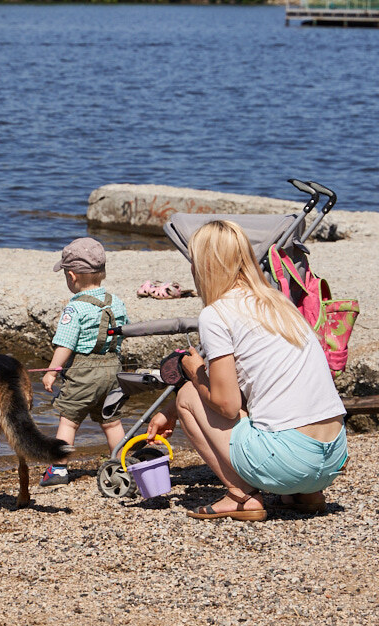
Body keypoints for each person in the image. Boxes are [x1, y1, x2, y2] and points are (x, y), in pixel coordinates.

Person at [147, 220, 347, 521]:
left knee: (188, 393)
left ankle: (241, 496)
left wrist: (194, 370)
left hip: (291, 462)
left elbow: (227, 406)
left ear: (204, 266)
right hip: (333, 456)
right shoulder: (279, 302)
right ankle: (307, 495)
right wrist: (170, 411)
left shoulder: (216, 314)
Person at [39, 237, 129, 487]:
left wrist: (52, 372)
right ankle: (122, 464)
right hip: (112, 368)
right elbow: (124, 331)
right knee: (111, 421)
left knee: (69, 419)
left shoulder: (75, 309)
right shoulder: (116, 301)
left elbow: (65, 345)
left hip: (84, 372)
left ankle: (58, 469)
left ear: (72, 276)